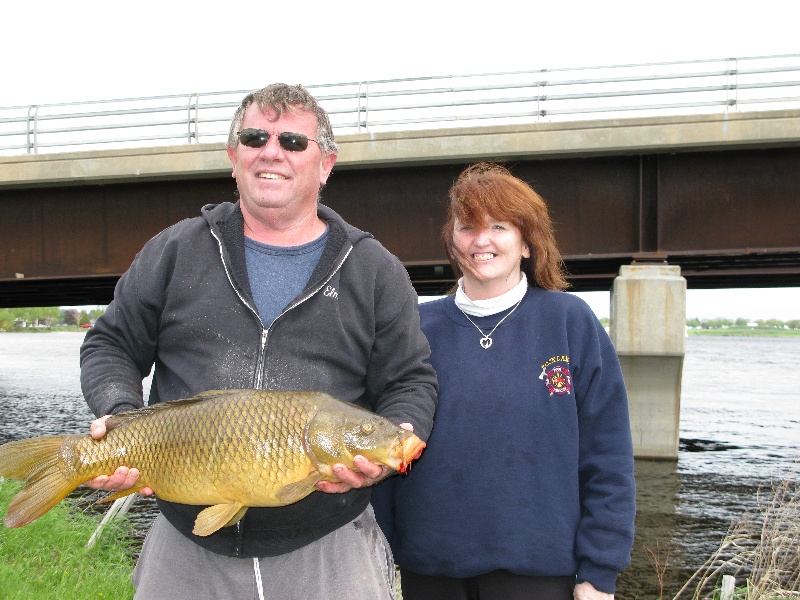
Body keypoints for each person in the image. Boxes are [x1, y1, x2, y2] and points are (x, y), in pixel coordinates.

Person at [79, 83, 438, 600]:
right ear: (233, 157)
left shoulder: (373, 269)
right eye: (255, 137)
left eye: (293, 141)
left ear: (326, 163)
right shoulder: (176, 250)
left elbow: (409, 379)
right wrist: (119, 413)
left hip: (329, 545)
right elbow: (109, 345)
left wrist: (394, 438)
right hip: (186, 545)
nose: (272, 152)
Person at [372, 162, 636, 600]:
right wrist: (378, 554)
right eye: (467, 227)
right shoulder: (415, 328)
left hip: (539, 572)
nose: (482, 240)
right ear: (453, 242)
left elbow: (607, 457)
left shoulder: (570, 322)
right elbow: (383, 441)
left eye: (499, 226)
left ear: (527, 243)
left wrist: (599, 572)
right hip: (431, 570)